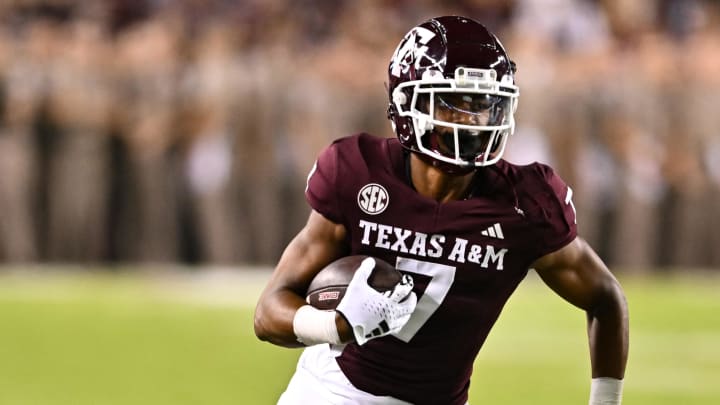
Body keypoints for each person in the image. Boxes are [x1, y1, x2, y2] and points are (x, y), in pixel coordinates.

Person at [254, 16, 629, 405]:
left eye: (484, 105)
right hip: (333, 392)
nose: (472, 121)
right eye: (452, 104)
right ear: (406, 102)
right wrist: (335, 325)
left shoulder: (524, 202)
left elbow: (605, 297)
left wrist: (606, 401)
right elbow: (268, 313)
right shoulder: (358, 173)